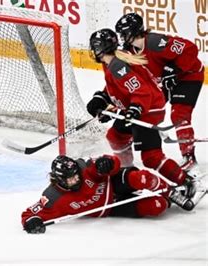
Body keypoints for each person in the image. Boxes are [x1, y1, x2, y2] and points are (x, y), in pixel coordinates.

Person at [85, 28, 194, 190]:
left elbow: (141, 91)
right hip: (141, 108)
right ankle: (126, 172)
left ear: (99, 48)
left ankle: (186, 181)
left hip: (147, 111)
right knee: (115, 136)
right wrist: (102, 98)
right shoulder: (112, 63)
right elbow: (120, 87)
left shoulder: (117, 65)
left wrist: (135, 108)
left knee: (151, 157)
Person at [115, 13, 204, 171]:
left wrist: (175, 69)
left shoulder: (155, 42)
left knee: (179, 115)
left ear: (135, 31)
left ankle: (189, 156)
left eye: (124, 34)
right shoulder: (130, 52)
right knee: (146, 110)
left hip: (188, 75)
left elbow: (190, 48)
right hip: (165, 83)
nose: (121, 38)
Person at [21, 154, 197, 234]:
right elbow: (29, 214)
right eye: (70, 179)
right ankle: (168, 200)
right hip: (110, 208)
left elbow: (114, 162)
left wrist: (107, 163)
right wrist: (32, 222)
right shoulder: (53, 197)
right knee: (156, 206)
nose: (76, 180)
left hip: (112, 183)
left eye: (76, 176)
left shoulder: (84, 167)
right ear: (59, 180)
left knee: (141, 178)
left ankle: (171, 191)